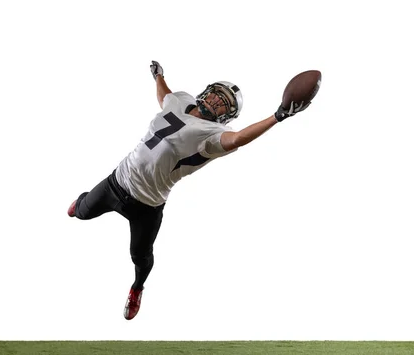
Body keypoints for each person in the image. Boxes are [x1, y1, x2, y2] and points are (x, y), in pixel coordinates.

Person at [68, 60, 311, 320]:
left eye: (223, 103)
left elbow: (238, 138)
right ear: (208, 91)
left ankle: (137, 289)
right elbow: (166, 99)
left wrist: (277, 116)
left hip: (147, 205)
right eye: (218, 95)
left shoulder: (212, 135)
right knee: (80, 212)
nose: (217, 102)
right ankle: (84, 199)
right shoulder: (181, 101)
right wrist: (159, 76)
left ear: (226, 115)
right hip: (117, 182)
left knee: (140, 256)